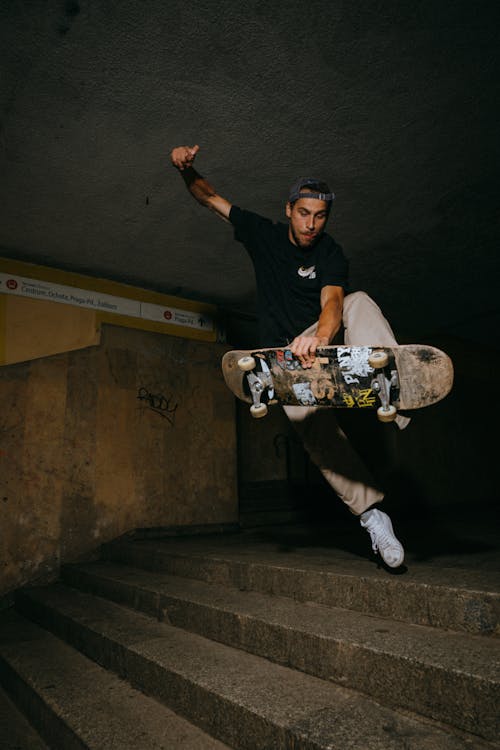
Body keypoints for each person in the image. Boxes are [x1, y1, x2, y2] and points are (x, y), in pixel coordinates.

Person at [171, 144, 406, 568]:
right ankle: (373, 516)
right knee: (311, 429)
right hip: (282, 358)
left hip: (319, 337)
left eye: (319, 216)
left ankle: (392, 383)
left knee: (359, 301)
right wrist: (187, 170)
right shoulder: (263, 234)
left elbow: (332, 303)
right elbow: (210, 198)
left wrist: (319, 336)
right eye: (303, 214)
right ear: (289, 209)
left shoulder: (330, 252)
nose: (311, 225)